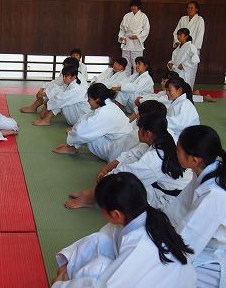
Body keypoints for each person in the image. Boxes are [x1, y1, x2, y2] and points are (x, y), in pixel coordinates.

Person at [52, 172, 196, 288]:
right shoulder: (142, 215)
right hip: (151, 278)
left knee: (98, 268)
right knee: (100, 240)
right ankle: (66, 272)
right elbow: (99, 242)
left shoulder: (139, 244)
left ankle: (64, 279)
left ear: (116, 214)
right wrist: (67, 267)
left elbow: (105, 285)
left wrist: (60, 286)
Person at [65, 112, 192, 210]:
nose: (137, 132)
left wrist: (106, 179)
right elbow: (131, 155)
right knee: (127, 165)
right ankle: (93, 192)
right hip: (162, 186)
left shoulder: (155, 159)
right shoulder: (163, 138)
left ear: (148, 133)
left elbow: (128, 175)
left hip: (167, 199)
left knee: (125, 185)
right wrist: (107, 170)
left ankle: (91, 198)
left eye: (139, 129)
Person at [165, 125, 226, 288]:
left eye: (178, 149)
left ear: (194, 159)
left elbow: (188, 241)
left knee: (166, 273)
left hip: (217, 255)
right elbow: (177, 212)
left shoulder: (215, 194)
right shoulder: (205, 172)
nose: (175, 152)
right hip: (205, 242)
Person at [52, 83, 132, 161]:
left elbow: (80, 133)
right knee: (87, 123)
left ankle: (71, 148)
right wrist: (74, 128)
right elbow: (87, 119)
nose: (88, 101)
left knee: (86, 132)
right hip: (122, 143)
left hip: (117, 151)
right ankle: (72, 147)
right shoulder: (109, 105)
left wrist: (71, 131)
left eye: (89, 99)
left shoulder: (104, 113)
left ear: (97, 99)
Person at [20, 57, 87, 114]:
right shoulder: (69, 77)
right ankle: (34, 108)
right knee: (53, 88)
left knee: (56, 92)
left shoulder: (75, 80)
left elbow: (60, 97)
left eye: (65, 66)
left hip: (76, 108)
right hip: (70, 103)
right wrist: (42, 90)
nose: (64, 68)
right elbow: (53, 83)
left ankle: (41, 114)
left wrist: (45, 99)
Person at [173, 1, 204, 90]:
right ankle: (177, 91)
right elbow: (176, 32)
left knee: (189, 74)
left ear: (196, 9)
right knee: (178, 73)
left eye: (192, 8)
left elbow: (200, 35)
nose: (189, 10)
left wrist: (191, 47)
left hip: (191, 48)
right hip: (181, 47)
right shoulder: (183, 19)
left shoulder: (199, 20)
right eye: (188, 8)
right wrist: (178, 42)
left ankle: (188, 92)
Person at [118, 0, 150, 76]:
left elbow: (146, 30)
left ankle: (136, 81)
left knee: (137, 64)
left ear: (139, 6)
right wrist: (122, 36)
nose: (133, 8)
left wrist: (137, 36)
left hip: (136, 43)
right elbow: (122, 29)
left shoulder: (143, 17)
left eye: (135, 6)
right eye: (132, 6)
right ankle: (125, 80)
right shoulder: (127, 16)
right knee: (126, 64)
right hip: (127, 42)